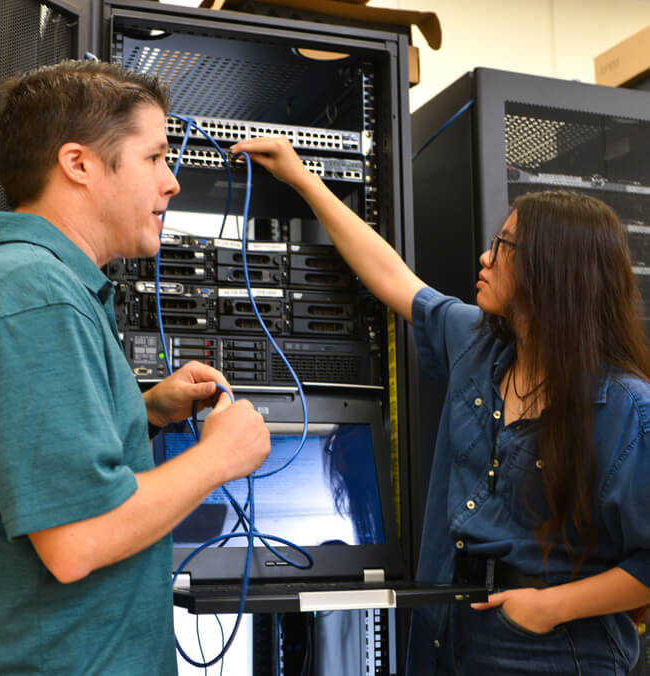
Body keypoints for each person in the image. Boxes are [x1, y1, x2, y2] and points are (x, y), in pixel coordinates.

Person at [230, 135, 650, 675]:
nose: (484, 257)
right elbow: (389, 275)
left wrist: (549, 607)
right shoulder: (477, 343)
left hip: (553, 650)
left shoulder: (625, 408)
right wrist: (303, 178)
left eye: (503, 248)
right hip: (446, 641)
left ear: (552, 272)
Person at [0, 60, 270, 675]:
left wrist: (141, 414)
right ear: (78, 164)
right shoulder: (35, 294)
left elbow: (23, 460)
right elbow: (76, 539)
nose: (173, 183)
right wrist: (220, 457)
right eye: (156, 157)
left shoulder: (32, 284)